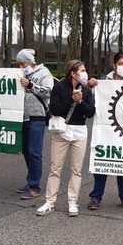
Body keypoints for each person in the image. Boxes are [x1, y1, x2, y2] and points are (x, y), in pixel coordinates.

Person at [36, 60, 95, 217]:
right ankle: (49, 202)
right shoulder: (59, 87)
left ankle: (72, 202)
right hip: (61, 132)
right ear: (73, 73)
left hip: (80, 132)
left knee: (76, 170)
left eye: (84, 70)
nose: (84, 73)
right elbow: (54, 109)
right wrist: (71, 99)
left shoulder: (87, 90)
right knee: (55, 168)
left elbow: (90, 112)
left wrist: (80, 101)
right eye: (82, 70)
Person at [87, 53, 123, 211]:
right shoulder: (103, 82)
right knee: (102, 162)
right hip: (106, 129)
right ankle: (96, 196)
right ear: (114, 66)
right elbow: (91, 99)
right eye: (121, 63)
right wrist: (90, 86)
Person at [14, 49, 54, 199]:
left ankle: (35, 187)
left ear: (30, 62)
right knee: (26, 150)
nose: (21, 66)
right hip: (22, 117)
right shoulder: (22, 73)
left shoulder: (44, 73)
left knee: (34, 152)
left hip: (37, 116)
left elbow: (49, 91)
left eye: (22, 63)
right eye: (19, 64)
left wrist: (31, 85)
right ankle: (31, 181)